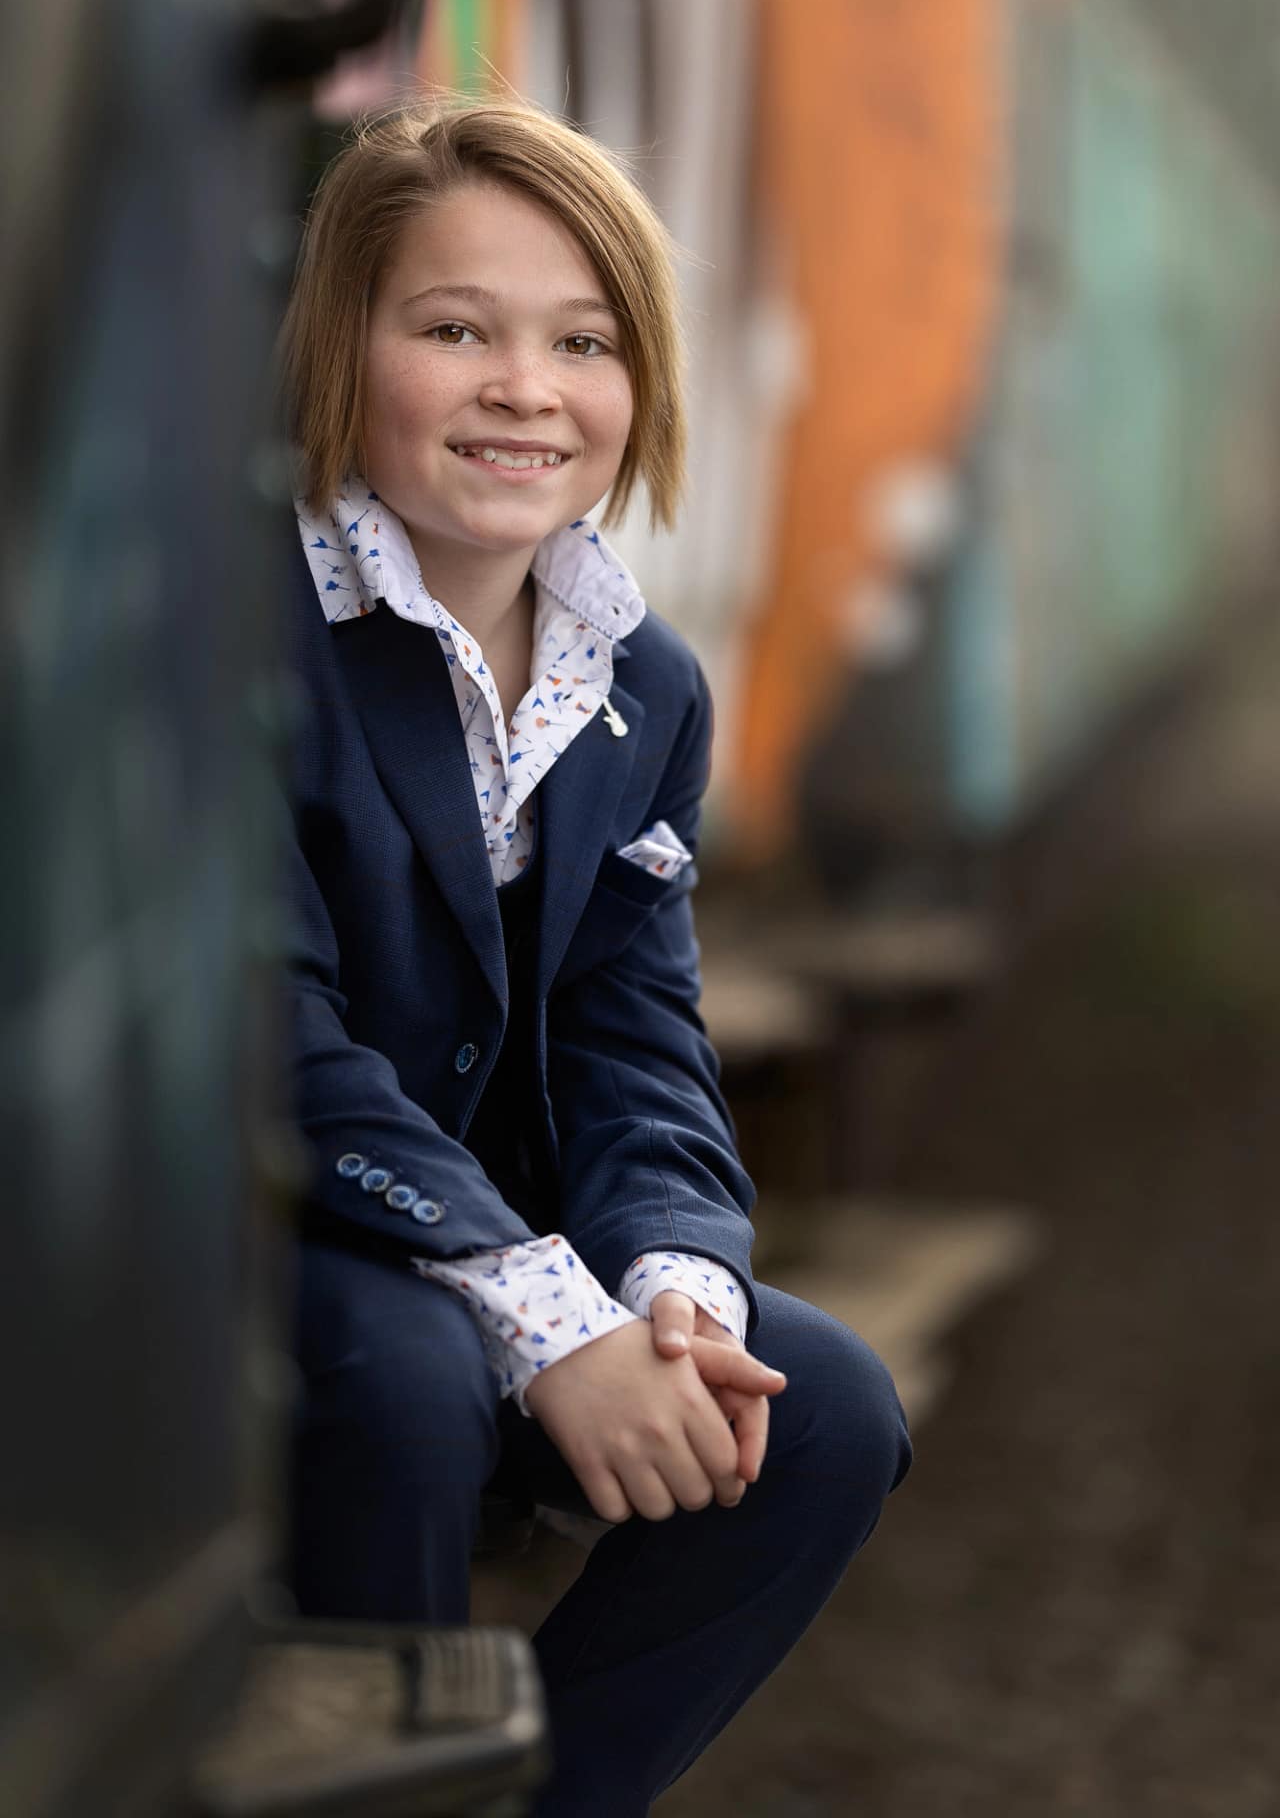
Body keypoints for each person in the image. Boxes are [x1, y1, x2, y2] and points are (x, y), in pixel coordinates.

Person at [279, 96, 911, 1818]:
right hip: (268, 1232)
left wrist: (669, 1297)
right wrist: (539, 1316)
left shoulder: (647, 686)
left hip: (510, 1247)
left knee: (824, 1407)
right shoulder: (248, 640)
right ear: (345, 345)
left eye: (583, 340)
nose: (526, 388)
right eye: (454, 329)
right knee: (405, 1385)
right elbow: (262, 1029)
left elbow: (637, 1036)